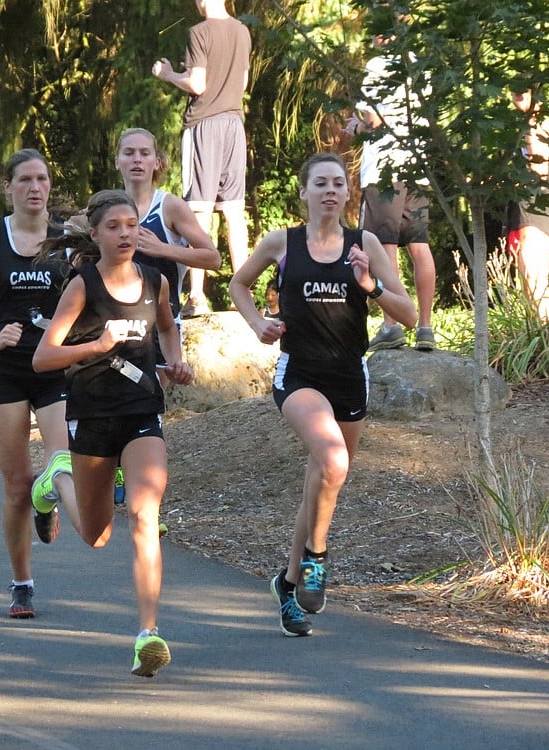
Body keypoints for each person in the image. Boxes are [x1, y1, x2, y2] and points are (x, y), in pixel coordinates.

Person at [228, 153, 417, 637]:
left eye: (339, 183)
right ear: (305, 192)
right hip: (300, 375)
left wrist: (371, 286)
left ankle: (288, 585)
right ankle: (316, 558)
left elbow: (410, 315)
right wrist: (257, 324)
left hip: (350, 375)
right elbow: (239, 284)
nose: (331, 190)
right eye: (321, 183)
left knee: (322, 481)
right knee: (332, 461)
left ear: (348, 193)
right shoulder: (283, 242)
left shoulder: (365, 243)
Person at [32, 189, 194, 677]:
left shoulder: (156, 280)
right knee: (97, 536)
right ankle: (55, 481)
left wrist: (177, 361)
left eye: (132, 225)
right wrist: (96, 345)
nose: (126, 233)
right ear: (97, 235)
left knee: (146, 515)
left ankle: (148, 634)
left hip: (143, 410)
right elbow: (44, 357)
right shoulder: (82, 286)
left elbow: (167, 328)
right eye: (115, 226)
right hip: (91, 415)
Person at [0, 148, 83, 620]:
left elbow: (95, 291)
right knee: (15, 484)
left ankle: (47, 499)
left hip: (53, 366)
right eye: (24, 179)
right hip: (4, 369)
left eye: (42, 179)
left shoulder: (68, 237)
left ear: (50, 186)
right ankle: (22, 582)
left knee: (60, 457)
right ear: (8, 187)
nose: (34, 187)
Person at [152, 0, 251, 316]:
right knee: (234, 212)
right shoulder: (242, 30)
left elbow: (197, 83)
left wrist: (168, 74)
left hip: (204, 123)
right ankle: (243, 292)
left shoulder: (199, 32)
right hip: (234, 123)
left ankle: (196, 296)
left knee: (199, 210)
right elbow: (244, 82)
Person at [344, 36, 436, 351]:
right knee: (420, 246)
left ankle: (391, 325)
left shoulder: (377, 65)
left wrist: (356, 128)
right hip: (417, 170)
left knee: (385, 249)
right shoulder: (418, 64)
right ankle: (425, 327)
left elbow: (374, 120)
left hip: (385, 172)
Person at [114, 128, 221, 324]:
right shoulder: (106, 208)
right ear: (117, 161)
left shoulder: (170, 206)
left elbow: (213, 259)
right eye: (129, 153)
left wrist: (162, 249)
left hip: (162, 328)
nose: (137, 159)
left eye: (145, 153)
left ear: (157, 162)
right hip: (116, 325)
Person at [507, 88, 549, 322]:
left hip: (538, 205)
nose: (517, 94)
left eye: (523, 90)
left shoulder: (537, 124)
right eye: (513, 90)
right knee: (526, 274)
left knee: (533, 271)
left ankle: (548, 331)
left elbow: (539, 168)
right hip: (523, 206)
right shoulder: (525, 124)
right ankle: (539, 329)